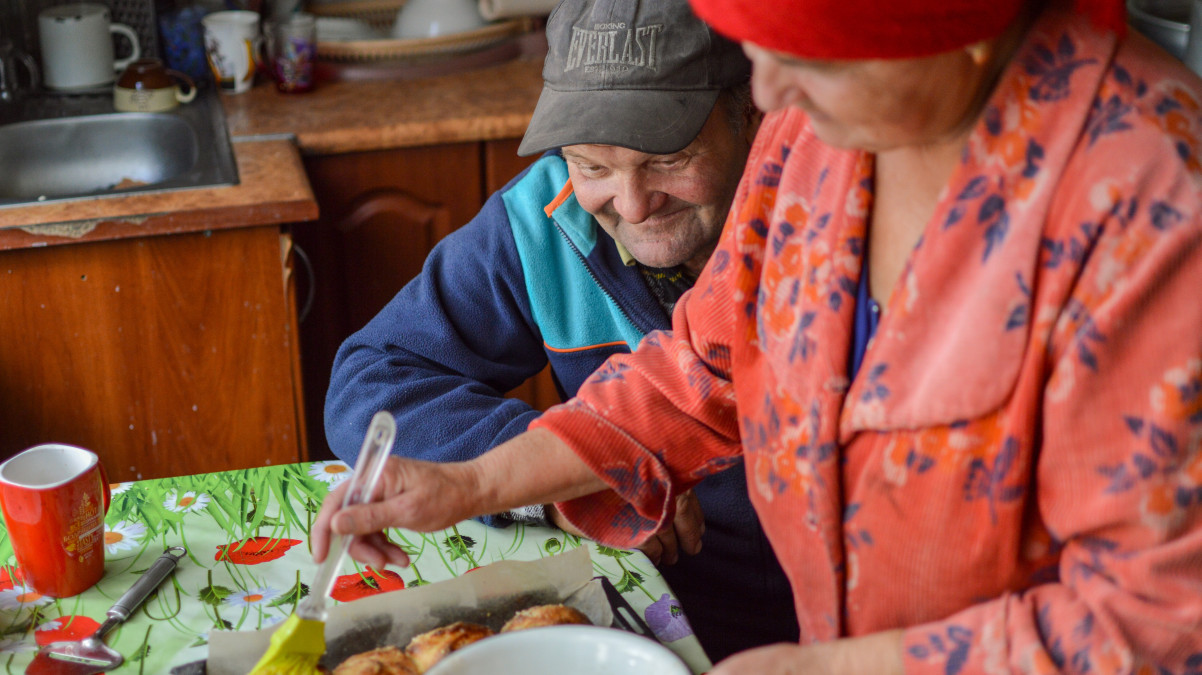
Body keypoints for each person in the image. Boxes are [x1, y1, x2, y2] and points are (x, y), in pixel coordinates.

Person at [314, 0, 1202, 672]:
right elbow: (698, 370)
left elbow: (1157, 619)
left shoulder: (1152, 198)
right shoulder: (809, 139)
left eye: (806, 53)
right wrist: (467, 480)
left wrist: (829, 667)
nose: (766, 90)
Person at [321, 0, 798, 661]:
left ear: (749, 108)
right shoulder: (543, 218)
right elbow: (370, 379)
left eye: (668, 157)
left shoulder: (818, 207)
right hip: (654, 611)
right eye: (593, 165)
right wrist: (555, 480)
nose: (632, 205)